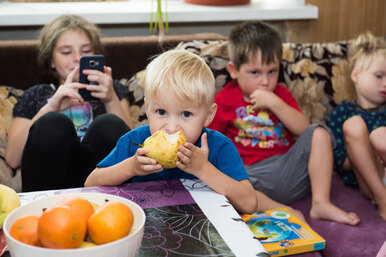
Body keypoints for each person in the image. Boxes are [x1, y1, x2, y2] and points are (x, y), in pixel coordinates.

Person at [208, 20, 360, 225]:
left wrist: (275, 103)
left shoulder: (280, 94)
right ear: (234, 70)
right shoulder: (225, 99)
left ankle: (321, 202)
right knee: (225, 184)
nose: (265, 81)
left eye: (272, 71)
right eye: (255, 72)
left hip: (288, 169)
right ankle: (282, 210)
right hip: (250, 175)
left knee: (319, 132)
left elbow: (302, 128)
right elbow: (210, 141)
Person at [85, 49, 258, 214]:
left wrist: (203, 169)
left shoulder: (219, 147)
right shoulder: (134, 143)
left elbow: (249, 203)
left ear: (208, 115)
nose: (171, 127)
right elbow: (90, 184)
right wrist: (131, 167)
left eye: (186, 114)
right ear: (147, 108)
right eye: (161, 112)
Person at [5, 15, 133, 192]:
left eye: (86, 51)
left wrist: (110, 99)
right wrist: (51, 107)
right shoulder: (37, 94)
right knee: (53, 123)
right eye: (66, 52)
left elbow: (134, 148)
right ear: (51, 61)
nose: (77, 58)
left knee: (108, 124)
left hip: (100, 182)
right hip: (50, 182)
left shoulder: (112, 89)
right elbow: (12, 158)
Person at [327, 32, 386, 221]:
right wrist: (367, 153)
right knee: (354, 126)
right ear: (356, 75)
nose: (385, 83)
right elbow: (339, 161)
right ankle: (384, 201)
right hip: (372, 180)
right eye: (379, 76)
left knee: (381, 136)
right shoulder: (344, 112)